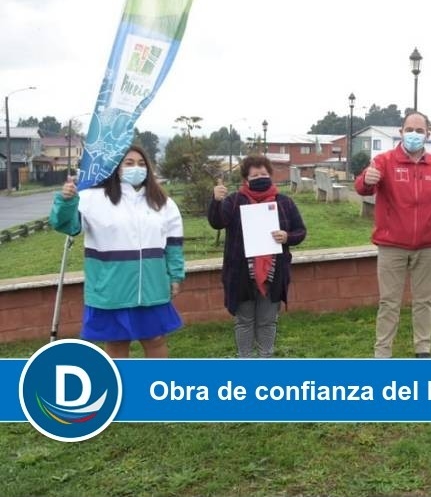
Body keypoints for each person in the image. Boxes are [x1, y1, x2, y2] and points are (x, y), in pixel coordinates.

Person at [49, 145, 184, 358]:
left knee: (156, 340)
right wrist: (66, 202)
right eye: (129, 163)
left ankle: (158, 386)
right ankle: (122, 388)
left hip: (152, 287)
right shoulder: (92, 198)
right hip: (112, 288)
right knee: (117, 343)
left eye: (141, 164)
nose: (136, 168)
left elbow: (174, 244)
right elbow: (68, 226)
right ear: (116, 168)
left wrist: (175, 275)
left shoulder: (163, 202)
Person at [354, 111, 431, 358]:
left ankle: (423, 349)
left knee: (424, 301)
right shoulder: (384, 161)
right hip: (391, 245)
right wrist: (366, 180)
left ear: (427, 134)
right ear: (401, 132)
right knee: (389, 303)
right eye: (409, 129)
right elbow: (363, 186)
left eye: (419, 130)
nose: (414, 134)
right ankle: (383, 352)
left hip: (426, 246)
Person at [208, 155, 307, 358]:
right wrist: (216, 201)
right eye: (255, 175)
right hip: (241, 274)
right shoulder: (235, 201)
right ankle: (245, 360)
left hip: (273, 273)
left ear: (270, 175)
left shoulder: (284, 202)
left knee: (267, 321)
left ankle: (266, 359)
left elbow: (300, 231)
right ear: (246, 178)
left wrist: (287, 236)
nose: (260, 177)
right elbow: (217, 222)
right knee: (244, 321)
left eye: (263, 173)